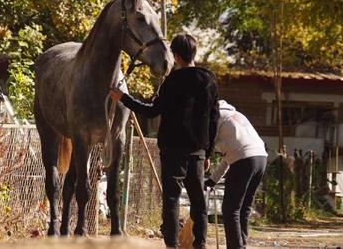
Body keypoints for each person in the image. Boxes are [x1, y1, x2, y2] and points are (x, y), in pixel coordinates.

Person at [110, 33, 219, 249]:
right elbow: (214, 118)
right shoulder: (209, 80)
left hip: (172, 149)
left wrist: (123, 98)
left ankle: (171, 245)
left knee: (172, 199)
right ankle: (201, 244)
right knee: (199, 202)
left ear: (175, 56)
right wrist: (208, 152)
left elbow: (152, 111)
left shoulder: (172, 82)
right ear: (194, 52)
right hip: (197, 149)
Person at [204, 100, 267, 249]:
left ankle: (235, 247)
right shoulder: (235, 114)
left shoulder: (215, 117)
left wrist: (205, 156)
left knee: (230, 209)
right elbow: (230, 156)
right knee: (244, 207)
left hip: (245, 160)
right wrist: (213, 180)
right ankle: (241, 245)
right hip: (261, 158)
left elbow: (209, 146)